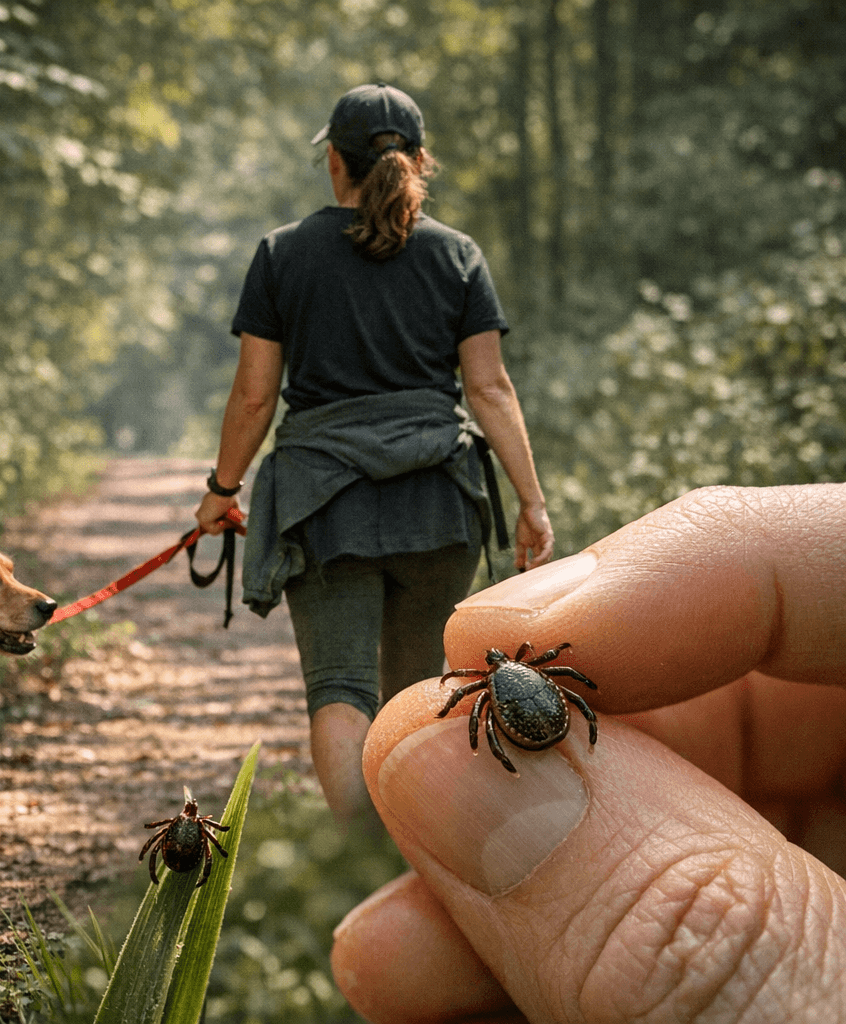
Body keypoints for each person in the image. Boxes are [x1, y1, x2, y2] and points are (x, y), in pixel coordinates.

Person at [332, 483, 846, 1022]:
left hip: (528, 712)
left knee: (493, 719)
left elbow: (477, 708)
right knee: (565, 695)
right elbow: (569, 674)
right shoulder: (533, 667)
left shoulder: (483, 688)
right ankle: (553, 747)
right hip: (543, 706)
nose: (486, 664)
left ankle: (520, 761)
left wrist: (482, 743)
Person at [195, 83, 553, 816]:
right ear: (420, 161)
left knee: (340, 689)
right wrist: (530, 501)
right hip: (439, 503)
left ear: (334, 161)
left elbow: (256, 396)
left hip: (326, 507)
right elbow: (489, 390)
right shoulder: (456, 255)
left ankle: (355, 856)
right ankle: (413, 862)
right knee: (422, 692)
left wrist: (222, 490)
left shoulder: (283, 254)